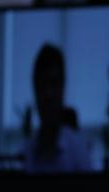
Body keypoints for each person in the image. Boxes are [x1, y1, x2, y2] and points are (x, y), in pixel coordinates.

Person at [24, 44, 92, 173]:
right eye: (43, 84)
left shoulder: (78, 152)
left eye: (54, 83)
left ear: (63, 89)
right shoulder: (25, 155)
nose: (48, 93)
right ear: (35, 90)